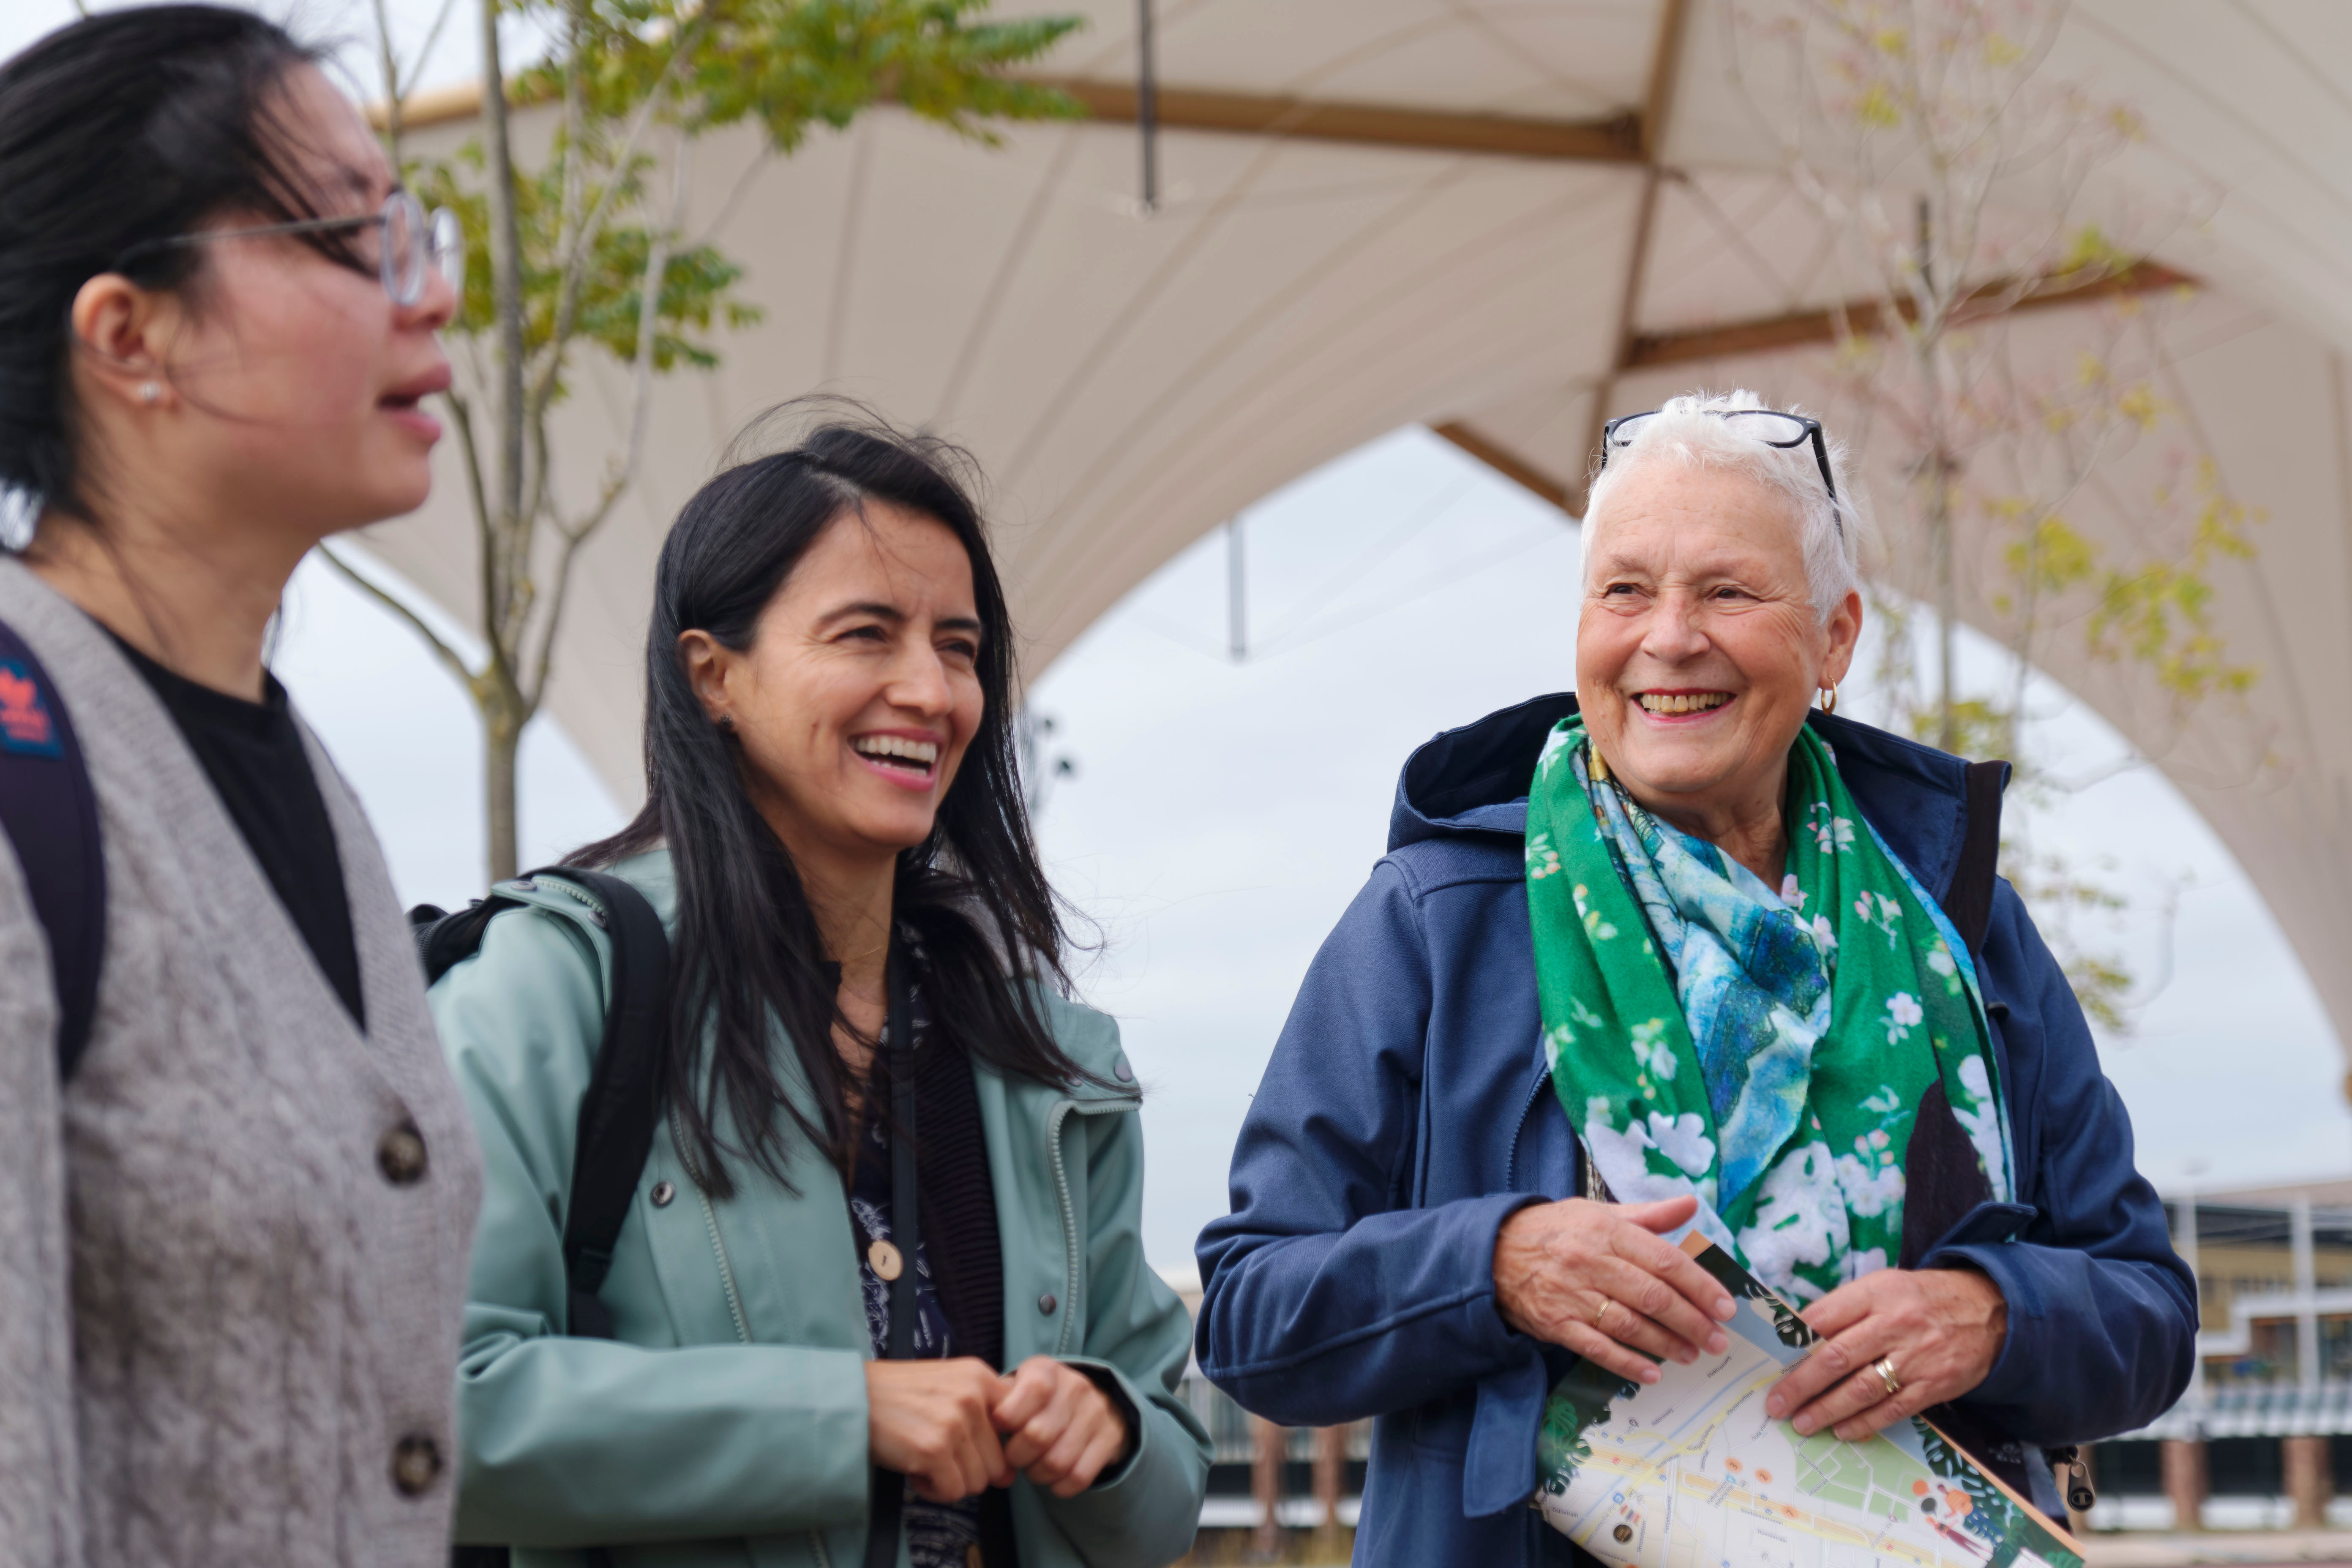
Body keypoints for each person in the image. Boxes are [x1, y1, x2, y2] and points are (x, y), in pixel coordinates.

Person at [1194, 391, 2196, 1565]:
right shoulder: (1438, 919)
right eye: (1626, 590)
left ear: (1834, 639)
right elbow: (1250, 1313)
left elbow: (2151, 1313)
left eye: (1727, 590)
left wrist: (1993, 1316)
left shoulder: (1963, 923)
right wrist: (1496, 1264)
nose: (1669, 637)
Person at [432, 414, 1210, 1567]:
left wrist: (1110, 1430)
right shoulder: (552, 988)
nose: (930, 691)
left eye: (958, 647)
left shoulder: (1047, 1056)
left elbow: (1169, 1490)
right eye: (866, 634)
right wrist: (841, 1417)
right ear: (714, 676)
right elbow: (429, 1410)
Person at [0, 8, 479, 1565]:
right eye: (351, 233)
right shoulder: (31, 769)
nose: (435, 290)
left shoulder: (308, 784)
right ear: (130, 336)